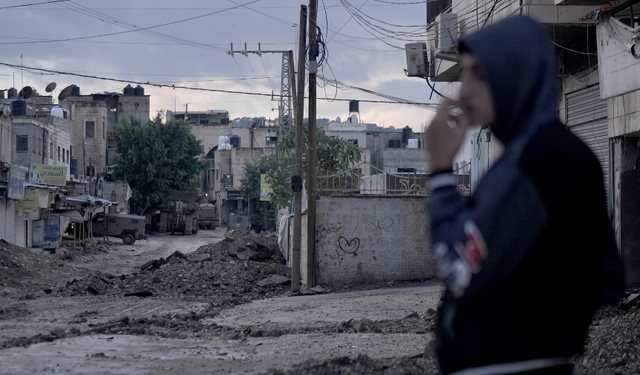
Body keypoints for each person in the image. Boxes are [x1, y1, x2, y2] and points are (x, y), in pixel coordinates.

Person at [425, 15, 625, 375]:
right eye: (464, 75)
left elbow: (457, 265)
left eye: (481, 75)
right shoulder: (546, 154)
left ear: (516, 75)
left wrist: (440, 175)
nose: (464, 91)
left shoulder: (540, 160)